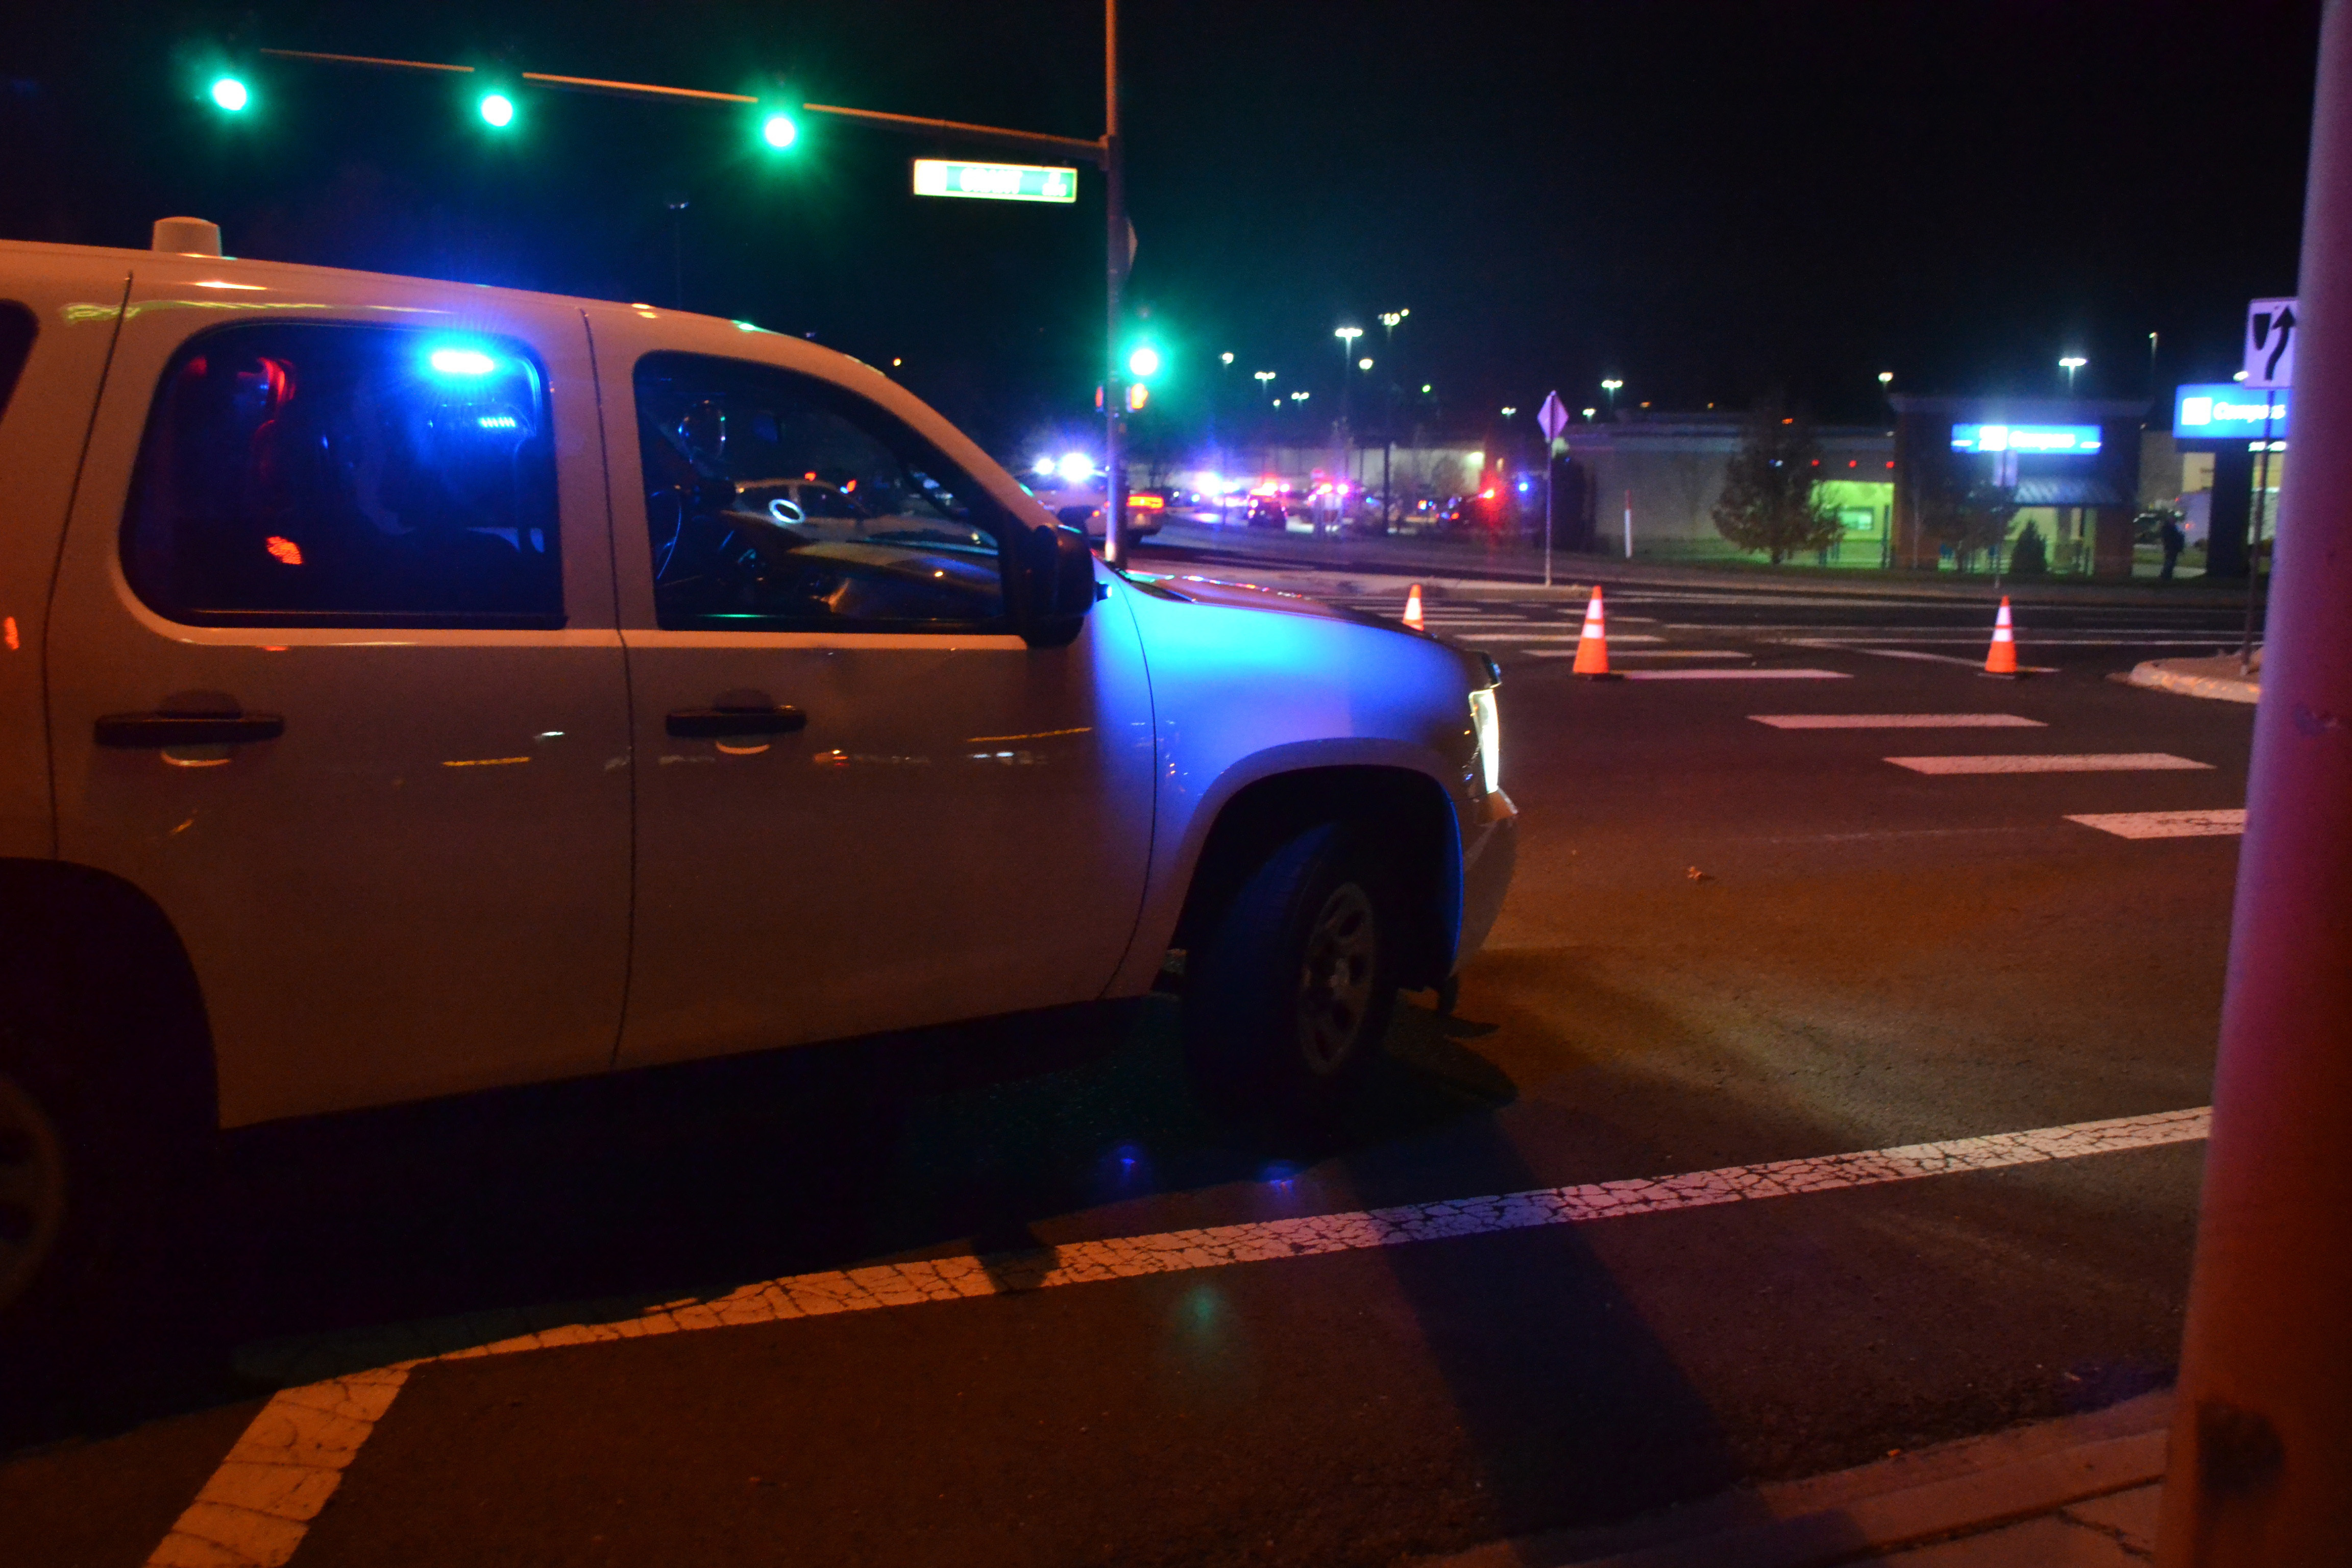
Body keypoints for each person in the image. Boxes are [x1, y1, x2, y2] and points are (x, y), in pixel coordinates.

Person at [2160, 514, 2187, 581]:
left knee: (2171, 562)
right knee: (2170, 562)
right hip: (2171, 548)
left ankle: (2167, 576)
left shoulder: (2171, 528)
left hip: (2173, 548)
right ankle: (2166, 576)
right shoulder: (2169, 529)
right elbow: (2171, 538)